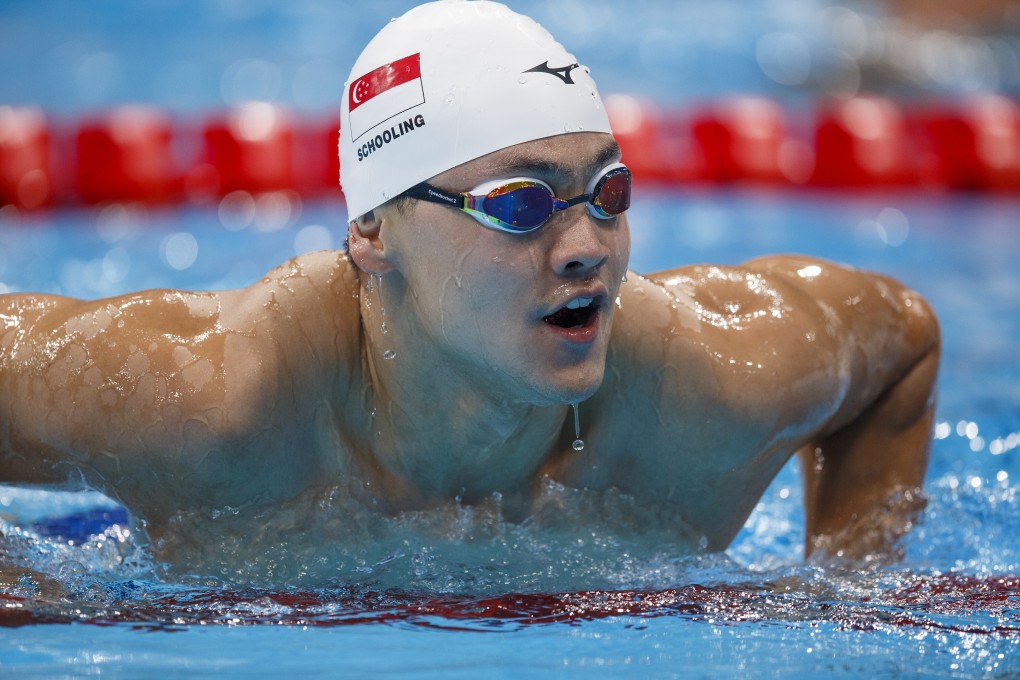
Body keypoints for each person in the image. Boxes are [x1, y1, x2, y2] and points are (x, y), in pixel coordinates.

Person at [0, 1, 938, 576]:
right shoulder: (209, 401)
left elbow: (901, 338)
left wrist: (852, 588)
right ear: (372, 231)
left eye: (608, 192)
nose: (588, 249)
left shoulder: (707, 387)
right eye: (521, 204)